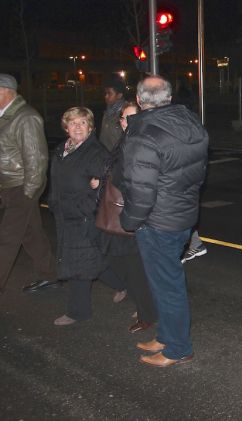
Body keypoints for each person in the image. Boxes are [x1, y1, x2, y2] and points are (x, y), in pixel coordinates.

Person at [121, 75, 209, 367]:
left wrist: (129, 221)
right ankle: (167, 336)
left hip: (158, 221)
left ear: (139, 99)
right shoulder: (191, 122)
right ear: (169, 97)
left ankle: (178, 348)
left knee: (167, 286)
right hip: (183, 215)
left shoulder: (143, 133)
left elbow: (141, 190)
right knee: (165, 283)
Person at [48, 107, 126, 326]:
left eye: (83, 123)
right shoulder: (60, 150)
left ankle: (78, 312)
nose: (78, 127)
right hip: (65, 215)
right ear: (66, 127)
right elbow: (55, 179)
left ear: (90, 127)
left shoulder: (96, 152)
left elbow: (106, 184)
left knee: (79, 263)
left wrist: (87, 203)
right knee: (93, 260)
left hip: (84, 216)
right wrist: (53, 202)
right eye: (73, 123)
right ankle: (123, 283)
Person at [97, 101, 157, 333]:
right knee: (119, 261)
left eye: (132, 117)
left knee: (133, 268)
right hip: (118, 211)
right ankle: (147, 306)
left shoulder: (141, 143)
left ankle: (147, 313)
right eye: (124, 118)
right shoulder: (125, 140)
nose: (127, 122)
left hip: (132, 213)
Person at [0, 73, 58, 294]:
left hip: (21, 187)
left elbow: (37, 159)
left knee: (7, 238)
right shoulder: (5, 117)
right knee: (31, 233)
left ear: (6, 91)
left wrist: (28, 193)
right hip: (8, 186)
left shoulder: (26, 117)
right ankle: (49, 274)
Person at [99, 79, 127, 152]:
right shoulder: (107, 112)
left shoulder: (125, 113)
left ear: (119, 95)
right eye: (105, 93)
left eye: (109, 93)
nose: (106, 96)